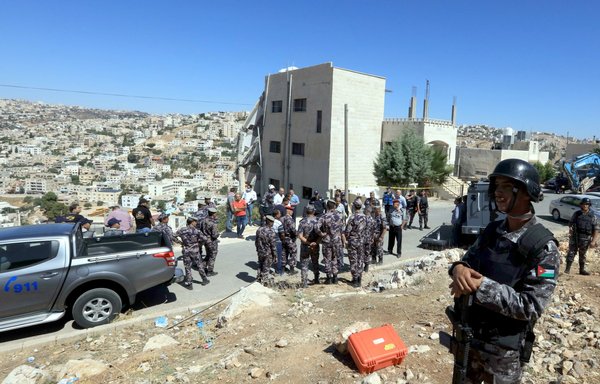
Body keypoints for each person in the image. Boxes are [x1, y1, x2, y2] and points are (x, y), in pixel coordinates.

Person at [448, 158, 560, 383]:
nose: (498, 193)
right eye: (496, 186)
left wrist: (482, 286)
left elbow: (531, 306)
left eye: (507, 187)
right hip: (470, 338)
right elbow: (468, 262)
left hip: (503, 353)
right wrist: (458, 269)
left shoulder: (544, 247)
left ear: (528, 192)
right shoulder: (492, 230)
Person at [565, 197, 598, 275]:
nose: (585, 206)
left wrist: (593, 241)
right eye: (584, 204)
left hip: (585, 238)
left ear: (589, 205)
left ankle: (581, 270)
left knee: (582, 254)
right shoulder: (576, 214)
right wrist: (570, 230)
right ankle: (567, 269)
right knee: (571, 252)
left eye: (587, 204)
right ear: (581, 205)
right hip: (575, 236)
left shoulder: (592, 216)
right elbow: (570, 223)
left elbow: (596, 229)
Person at [175, 217, 209, 289]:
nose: (196, 223)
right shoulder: (197, 231)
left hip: (186, 250)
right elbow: (205, 239)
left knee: (187, 267)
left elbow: (173, 236)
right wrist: (199, 243)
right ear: (192, 222)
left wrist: (180, 242)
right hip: (195, 250)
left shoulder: (182, 230)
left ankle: (189, 283)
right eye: (195, 222)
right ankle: (204, 279)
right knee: (199, 265)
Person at [316, 200, 345, 284]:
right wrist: (343, 241)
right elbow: (342, 230)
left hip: (327, 241)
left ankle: (329, 278)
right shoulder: (339, 216)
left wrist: (322, 234)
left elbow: (316, 228)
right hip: (337, 241)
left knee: (327, 259)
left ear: (327, 207)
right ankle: (335, 277)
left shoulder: (323, 216)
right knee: (335, 258)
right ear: (334, 207)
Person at [345, 200, 368, 287]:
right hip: (361, 241)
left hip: (353, 241)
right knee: (360, 259)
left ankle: (355, 280)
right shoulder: (365, 217)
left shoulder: (352, 217)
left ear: (354, 207)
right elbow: (367, 230)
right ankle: (359, 278)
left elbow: (347, 231)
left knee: (353, 260)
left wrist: (346, 239)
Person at [297, 205, 320, 287]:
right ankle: (317, 279)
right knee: (315, 262)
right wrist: (315, 243)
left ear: (306, 211)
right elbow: (320, 235)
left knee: (304, 265)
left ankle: (304, 283)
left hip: (305, 246)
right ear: (313, 211)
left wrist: (308, 243)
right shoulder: (318, 221)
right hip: (315, 245)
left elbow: (300, 236)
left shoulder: (302, 222)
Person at [255, 215, 278, 285]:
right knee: (266, 268)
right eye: (272, 222)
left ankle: (259, 279)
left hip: (260, 251)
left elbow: (256, 242)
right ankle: (264, 282)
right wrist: (275, 255)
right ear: (269, 222)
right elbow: (273, 245)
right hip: (268, 253)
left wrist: (257, 249)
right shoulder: (271, 232)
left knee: (260, 266)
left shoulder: (259, 229)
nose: (273, 223)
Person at [199, 207, 220, 276]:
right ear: (213, 214)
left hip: (205, 240)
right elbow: (214, 235)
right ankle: (210, 271)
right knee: (212, 255)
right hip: (212, 241)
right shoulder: (213, 223)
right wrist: (218, 234)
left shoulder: (203, 221)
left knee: (208, 254)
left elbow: (200, 230)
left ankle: (203, 267)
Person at [281, 205, 298, 274]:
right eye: (292, 211)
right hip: (290, 238)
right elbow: (293, 229)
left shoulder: (281, 219)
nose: (292, 212)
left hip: (283, 238)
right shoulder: (290, 219)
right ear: (289, 211)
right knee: (293, 253)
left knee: (284, 253)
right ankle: (292, 269)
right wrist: (297, 235)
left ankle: (283, 268)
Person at [272, 209, 285, 275]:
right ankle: (278, 271)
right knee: (278, 257)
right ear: (276, 215)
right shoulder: (278, 223)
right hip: (277, 242)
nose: (280, 215)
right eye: (279, 214)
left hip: (270, 241)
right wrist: (283, 240)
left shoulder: (269, 221)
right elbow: (282, 234)